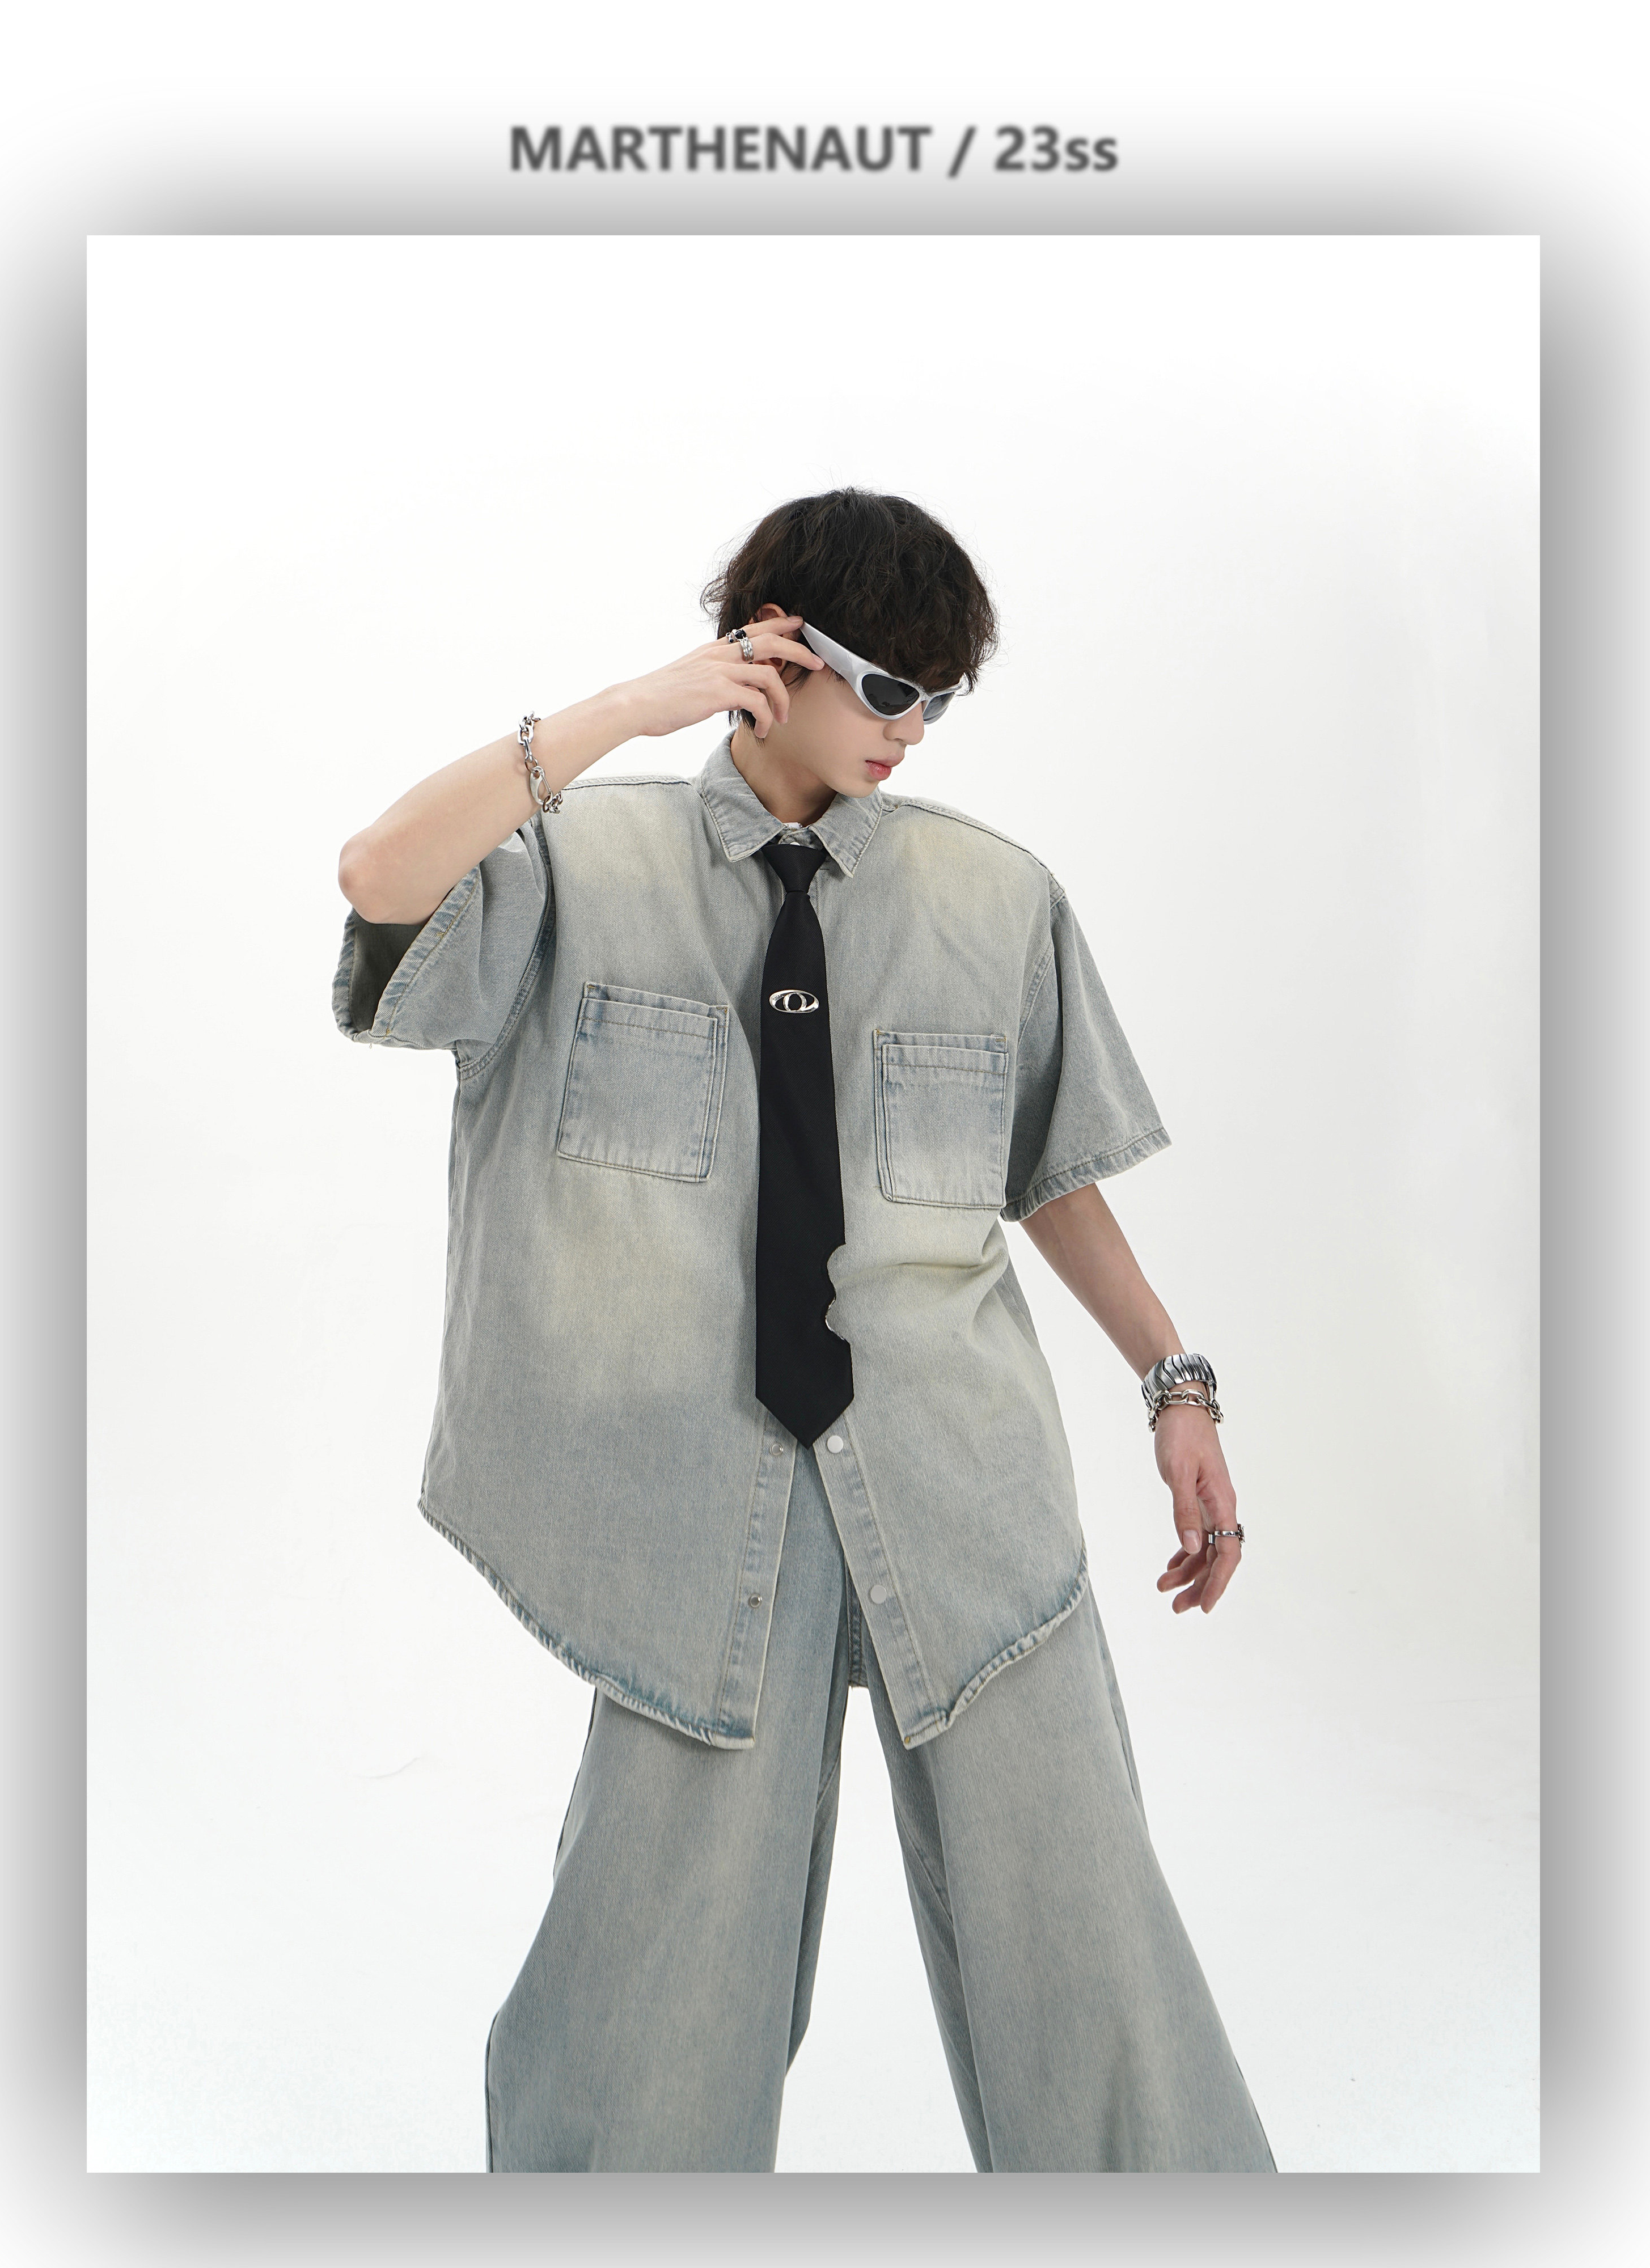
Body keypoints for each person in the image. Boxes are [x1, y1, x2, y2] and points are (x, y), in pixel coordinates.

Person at [333, 488, 1276, 2174]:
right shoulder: (571, 867)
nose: (911, 729)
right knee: (657, 1977)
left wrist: (1172, 1379)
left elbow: (1041, 1169)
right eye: (886, 685)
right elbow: (376, 875)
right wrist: (636, 707)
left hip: (963, 1488)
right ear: (772, 651)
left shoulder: (993, 898)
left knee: (1087, 1936)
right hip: (693, 1515)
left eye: (941, 696)